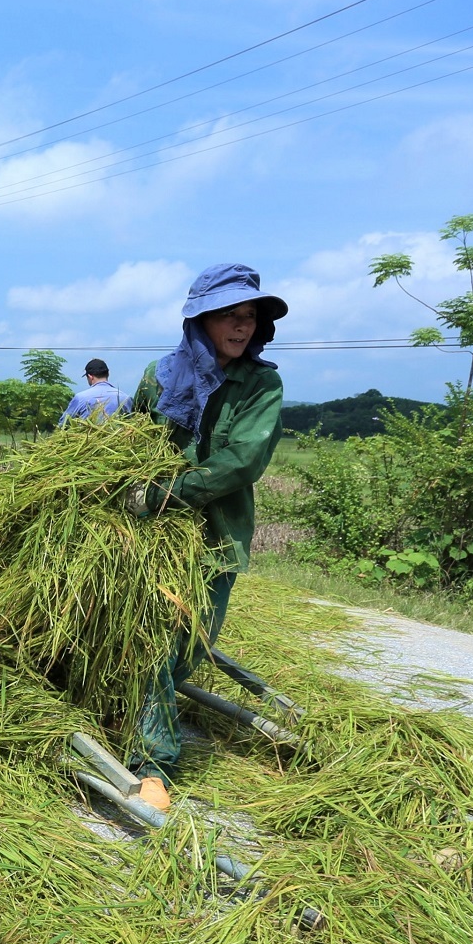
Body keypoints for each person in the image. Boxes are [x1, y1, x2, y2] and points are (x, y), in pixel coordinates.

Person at [124, 264, 286, 810]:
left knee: (187, 650)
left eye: (250, 317)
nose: (243, 327)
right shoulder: (159, 375)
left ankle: (137, 715)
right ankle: (154, 763)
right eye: (230, 315)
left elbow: (242, 460)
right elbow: (134, 440)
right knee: (153, 647)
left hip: (214, 536)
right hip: (148, 534)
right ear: (201, 319)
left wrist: (167, 494)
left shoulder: (260, 385)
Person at [58, 357, 127, 424]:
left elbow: (63, 423)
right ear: (108, 373)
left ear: (90, 376)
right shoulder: (124, 398)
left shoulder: (80, 398)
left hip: (86, 435)